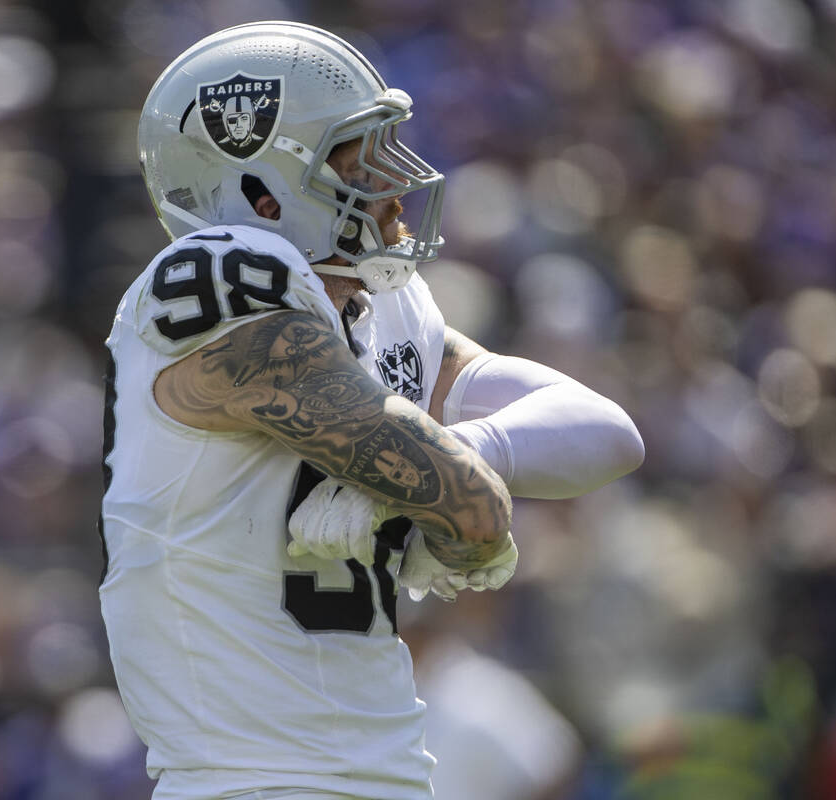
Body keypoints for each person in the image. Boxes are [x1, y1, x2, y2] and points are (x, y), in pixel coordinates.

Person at [99, 20, 644, 800]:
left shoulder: (382, 313)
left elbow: (605, 431)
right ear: (261, 194)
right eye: (355, 162)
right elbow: (474, 511)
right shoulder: (213, 281)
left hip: (386, 776)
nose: (394, 186)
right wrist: (442, 490)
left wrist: (466, 450)